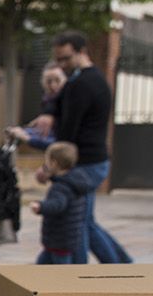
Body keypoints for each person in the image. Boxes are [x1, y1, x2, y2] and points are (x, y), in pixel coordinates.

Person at [46, 30, 132, 264]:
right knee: (85, 222)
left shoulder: (81, 84)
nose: (62, 65)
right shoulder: (96, 79)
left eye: (66, 58)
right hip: (94, 160)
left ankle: (90, 272)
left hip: (84, 163)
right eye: (58, 60)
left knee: (79, 225)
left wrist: (51, 166)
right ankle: (121, 265)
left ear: (82, 52)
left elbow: (68, 132)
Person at [30, 141, 90, 264]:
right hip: (67, 237)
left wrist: (40, 206)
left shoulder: (60, 187)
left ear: (54, 163)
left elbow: (57, 205)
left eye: (47, 161)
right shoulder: (76, 180)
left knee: (61, 270)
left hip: (59, 241)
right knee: (42, 265)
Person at [5, 62, 66, 150]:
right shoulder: (47, 101)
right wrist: (23, 130)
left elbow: (58, 143)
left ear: (65, 80)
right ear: (42, 82)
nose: (53, 85)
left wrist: (26, 137)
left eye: (57, 80)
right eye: (49, 81)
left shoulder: (68, 104)